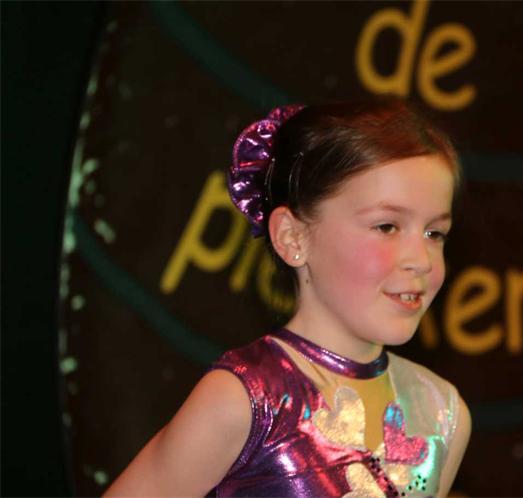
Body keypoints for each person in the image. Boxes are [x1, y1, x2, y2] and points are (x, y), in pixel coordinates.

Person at [105, 100, 471, 497]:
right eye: (387, 227)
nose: (421, 260)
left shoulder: (442, 414)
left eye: (434, 233)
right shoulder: (244, 399)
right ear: (292, 237)